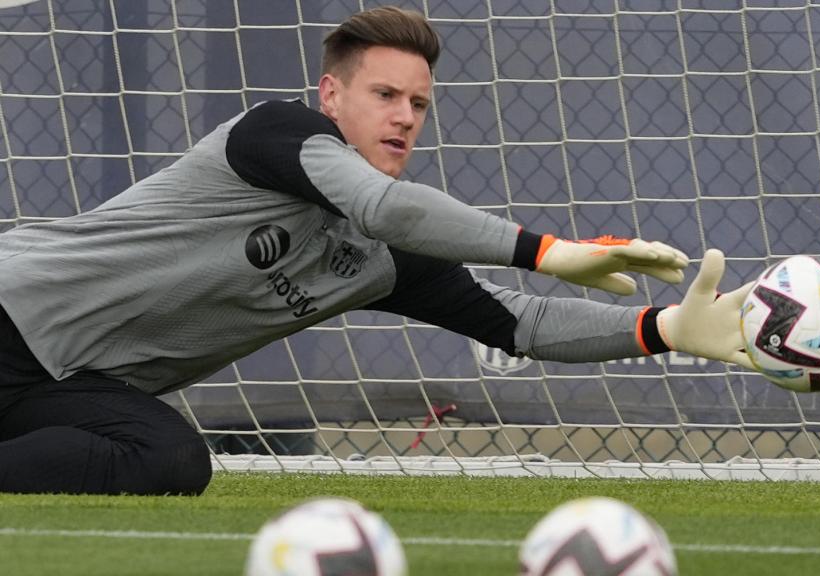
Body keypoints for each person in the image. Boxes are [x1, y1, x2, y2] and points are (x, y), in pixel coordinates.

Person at [0, 6, 754, 495]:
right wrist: (548, 250)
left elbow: (517, 326)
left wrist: (661, 331)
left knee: (174, 462)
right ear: (331, 97)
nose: (404, 118)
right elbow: (382, 203)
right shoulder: (276, 135)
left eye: (418, 104)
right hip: (12, 308)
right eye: (384, 96)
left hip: (62, 384)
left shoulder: (387, 256)